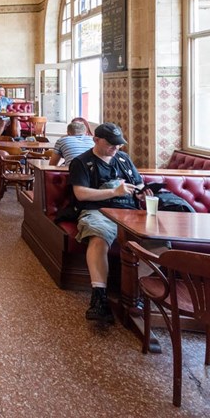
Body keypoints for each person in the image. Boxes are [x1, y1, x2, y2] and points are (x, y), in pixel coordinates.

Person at [69, 122, 148, 323]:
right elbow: (80, 193)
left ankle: (143, 293)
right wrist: (114, 192)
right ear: (96, 140)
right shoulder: (81, 162)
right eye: (111, 144)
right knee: (99, 235)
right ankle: (99, 296)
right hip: (98, 210)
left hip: (130, 210)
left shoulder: (123, 158)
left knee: (154, 239)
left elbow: (138, 183)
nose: (116, 148)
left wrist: (142, 192)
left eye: (118, 144)